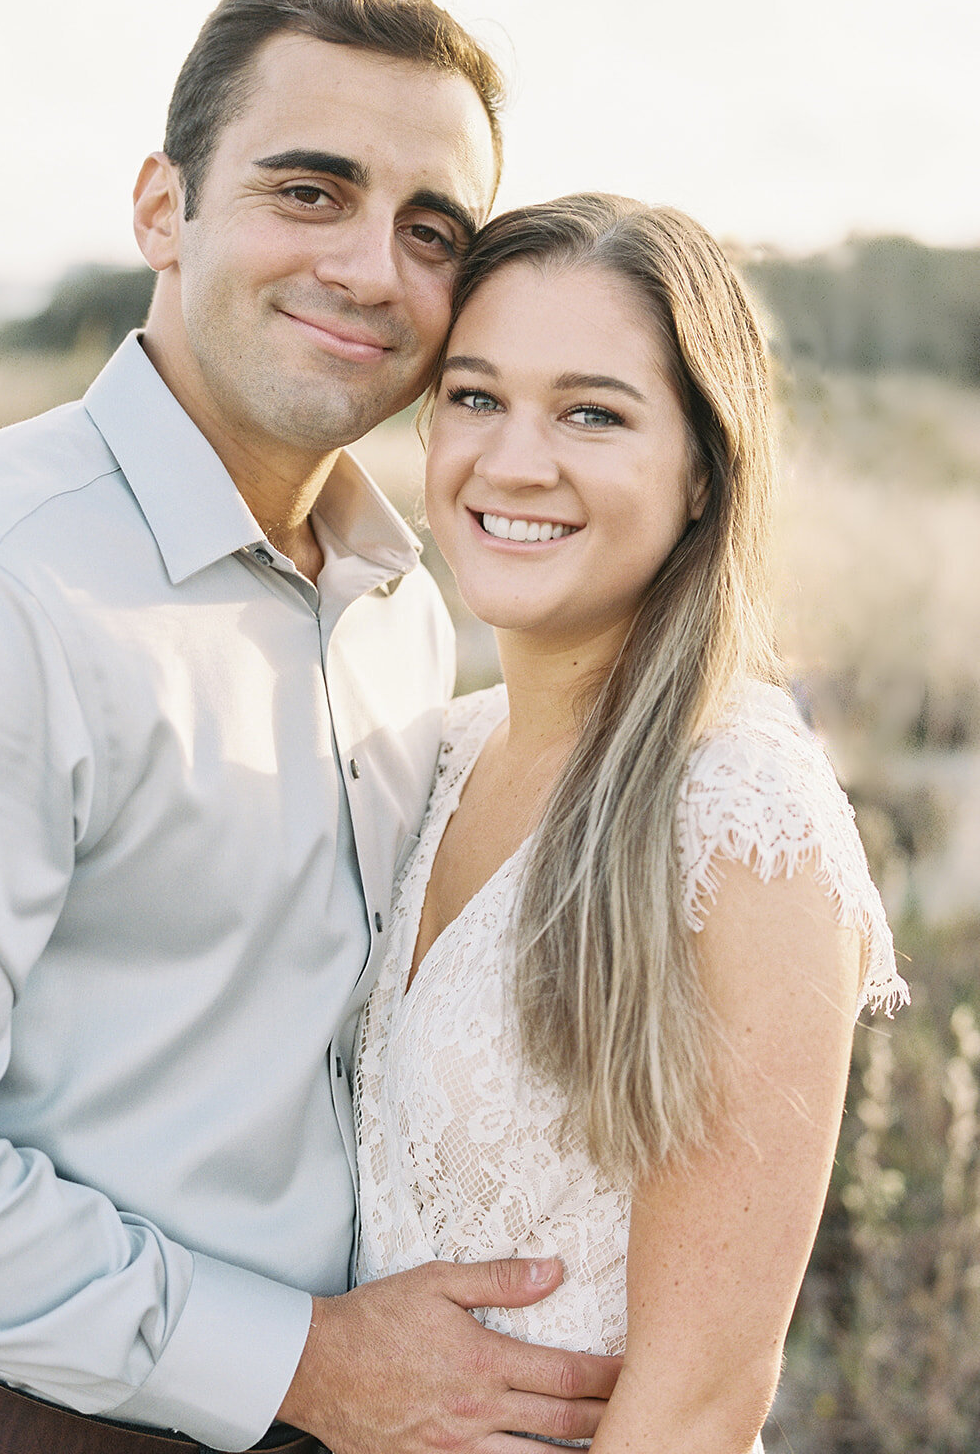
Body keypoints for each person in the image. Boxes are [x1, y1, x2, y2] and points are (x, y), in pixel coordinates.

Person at [0, 0, 619, 1454]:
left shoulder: (398, 609)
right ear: (161, 210)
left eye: (431, 231)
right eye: (310, 191)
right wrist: (304, 1364)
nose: (373, 269)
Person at [353, 192, 909, 1453]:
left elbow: (701, 1401)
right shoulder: (435, 754)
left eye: (592, 412)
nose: (513, 460)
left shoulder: (735, 806)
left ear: (704, 466)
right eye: (475, 395)